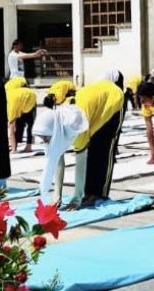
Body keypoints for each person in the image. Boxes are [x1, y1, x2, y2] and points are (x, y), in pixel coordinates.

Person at [35, 78, 126, 208]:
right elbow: (56, 162)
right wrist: (56, 197)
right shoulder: (53, 122)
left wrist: (76, 199)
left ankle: (98, 194)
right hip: (93, 105)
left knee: (101, 149)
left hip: (112, 99)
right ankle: (89, 193)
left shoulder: (75, 124)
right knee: (92, 148)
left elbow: (80, 163)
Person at [6, 81, 38, 152]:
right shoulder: (11, 91)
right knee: (30, 126)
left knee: (15, 127)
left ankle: (14, 148)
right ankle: (28, 146)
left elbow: (11, 131)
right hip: (30, 101)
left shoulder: (10, 100)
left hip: (22, 102)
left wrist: (13, 151)